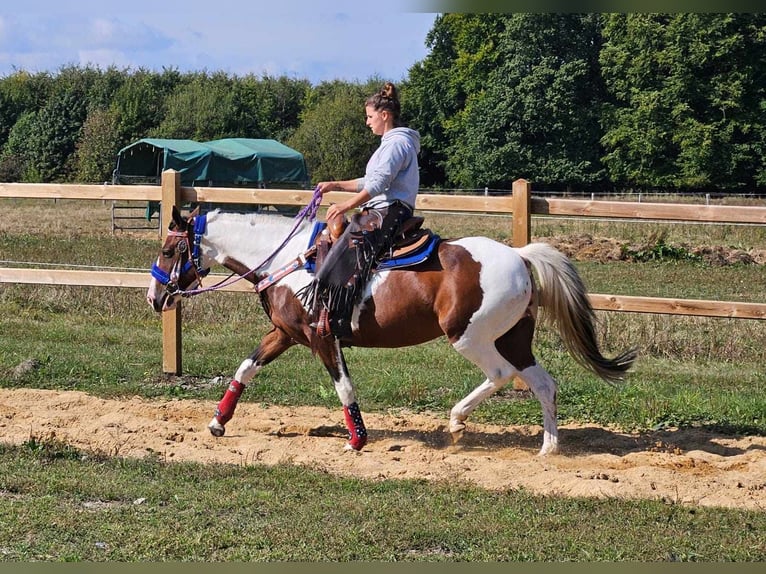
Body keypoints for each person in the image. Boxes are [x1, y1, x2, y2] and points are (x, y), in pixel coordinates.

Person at [307, 81, 421, 341]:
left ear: (384, 115)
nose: (367, 122)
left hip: (388, 210)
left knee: (345, 251)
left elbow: (379, 184)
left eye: (370, 117)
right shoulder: (390, 144)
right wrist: (335, 184)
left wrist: (346, 206)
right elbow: (369, 181)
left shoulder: (395, 145)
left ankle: (339, 316)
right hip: (383, 207)